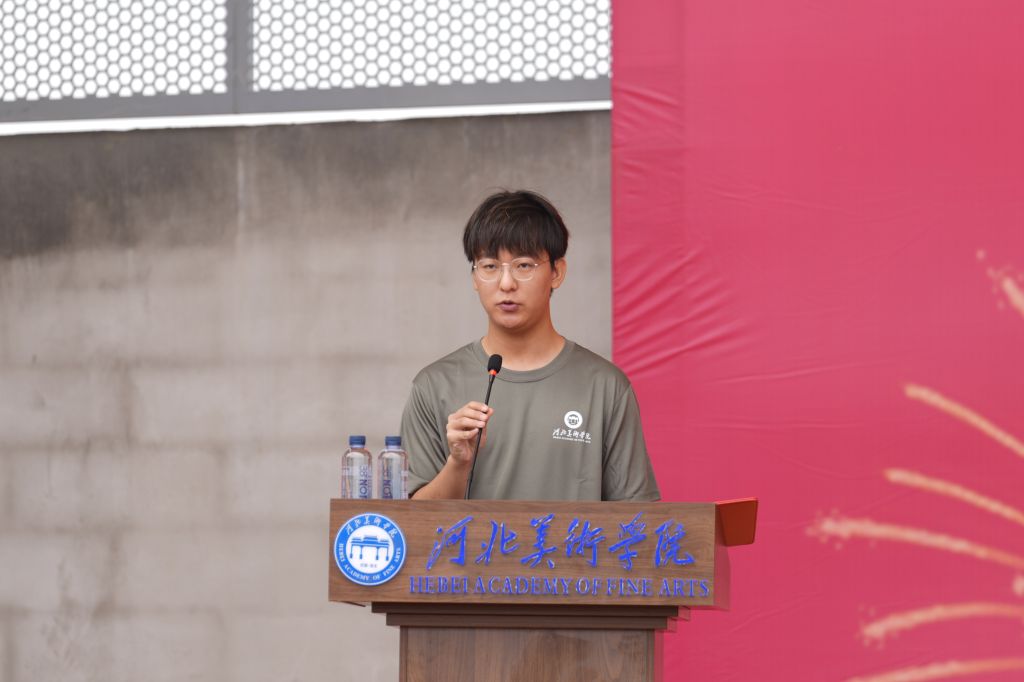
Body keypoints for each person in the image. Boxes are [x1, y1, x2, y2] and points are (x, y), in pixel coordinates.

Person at [400, 190, 660, 501]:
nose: (506, 283)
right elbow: (413, 522)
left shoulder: (606, 387)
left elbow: (639, 519)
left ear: (557, 272)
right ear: (474, 277)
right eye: (490, 266)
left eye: (523, 265)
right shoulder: (434, 386)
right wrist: (458, 463)